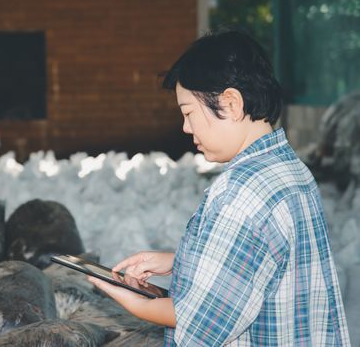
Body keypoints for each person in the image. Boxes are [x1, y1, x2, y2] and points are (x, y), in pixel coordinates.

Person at [88, 30, 351, 346]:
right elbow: (262, 259)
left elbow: (202, 321)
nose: (186, 127)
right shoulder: (290, 171)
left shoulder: (240, 194)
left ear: (230, 103)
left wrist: (133, 300)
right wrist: (179, 259)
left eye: (188, 112)